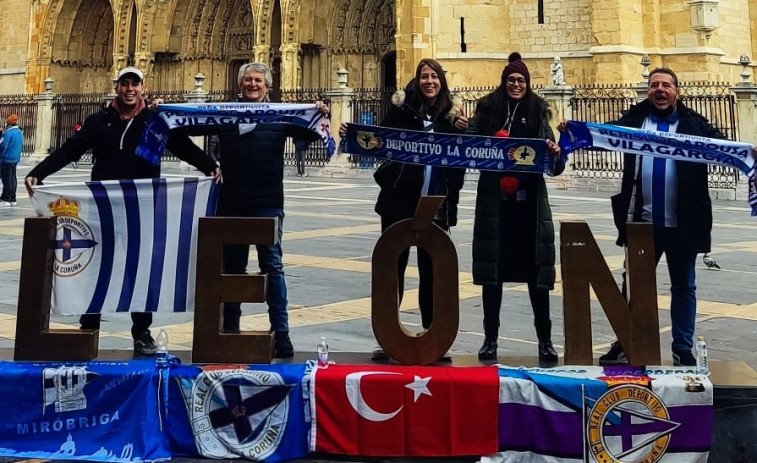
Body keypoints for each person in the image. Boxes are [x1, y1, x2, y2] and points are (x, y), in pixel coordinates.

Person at [24, 66, 221, 356]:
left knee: (140, 269)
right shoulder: (99, 121)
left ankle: (141, 331)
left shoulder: (155, 122)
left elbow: (184, 148)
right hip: (103, 209)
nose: (130, 89)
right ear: (117, 87)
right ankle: (88, 327)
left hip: (142, 208)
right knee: (95, 267)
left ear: (143, 87)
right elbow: (70, 150)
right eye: (125, 83)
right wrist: (38, 173)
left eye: (135, 84)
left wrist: (211, 167)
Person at [578, 67, 721, 366]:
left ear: (676, 92)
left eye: (666, 85)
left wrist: (748, 152)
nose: (660, 89)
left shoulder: (694, 124)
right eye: (654, 84)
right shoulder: (634, 120)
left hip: (683, 223)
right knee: (632, 285)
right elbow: (603, 133)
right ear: (648, 91)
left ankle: (682, 347)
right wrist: (573, 132)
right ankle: (624, 340)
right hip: (643, 223)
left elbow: (722, 147)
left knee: (684, 286)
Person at [342, 58, 469, 359]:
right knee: (392, 269)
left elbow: (463, 158)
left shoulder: (451, 119)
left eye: (434, 77)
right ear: (417, 80)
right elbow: (377, 140)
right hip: (399, 201)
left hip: (435, 203)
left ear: (441, 81)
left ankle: (433, 335)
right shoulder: (401, 111)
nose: (429, 82)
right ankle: (388, 336)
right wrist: (353, 133)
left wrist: (466, 131)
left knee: (433, 272)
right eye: (424, 76)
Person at [214, 62, 328, 358]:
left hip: (268, 205)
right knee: (232, 273)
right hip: (232, 205)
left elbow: (310, 136)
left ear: (268, 87)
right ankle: (229, 331)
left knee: (273, 269)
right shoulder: (225, 114)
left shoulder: (280, 115)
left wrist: (317, 113)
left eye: (258, 81)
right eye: (248, 80)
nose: (253, 85)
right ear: (240, 85)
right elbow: (185, 128)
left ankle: (282, 333)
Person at [468, 52, 563, 365]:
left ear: (528, 83)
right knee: (492, 275)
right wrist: (489, 143)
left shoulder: (538, 110)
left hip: (529, 207)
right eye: (511, 80)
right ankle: (490, 339)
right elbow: (468, 144)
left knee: (538, 276)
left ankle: (545, 341)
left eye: (521, 80)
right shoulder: (488, 107)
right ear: (503, 81)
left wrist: (553, 151)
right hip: (496, 207)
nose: (516, 85)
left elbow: (555, 163)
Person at [0, 114, 23, 206]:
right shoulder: (19, 132)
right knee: (13, 178)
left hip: (7, 158)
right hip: (15, 158)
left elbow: (2, 146)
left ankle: (6, 198)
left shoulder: (8, 133)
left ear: (9, 124)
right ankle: (13, 198)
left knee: (7, 179)